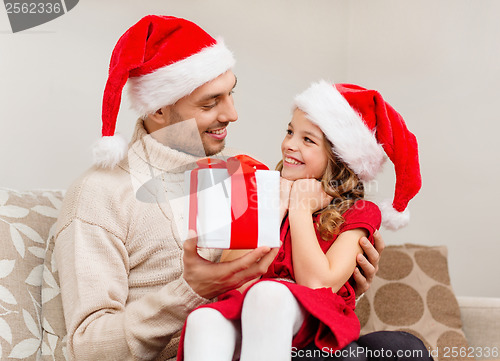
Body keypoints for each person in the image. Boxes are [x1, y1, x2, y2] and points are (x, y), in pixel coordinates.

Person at [53, 16, 384, 361]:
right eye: (210, 103)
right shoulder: (99, 194)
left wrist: (343, 287)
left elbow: (284, 285)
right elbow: (87, 349)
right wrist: (190, 291)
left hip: (265, 340)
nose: (233, 114)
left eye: (231, 94)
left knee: (400, 348)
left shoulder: (245, 173)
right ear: (160, 108)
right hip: (199, 346)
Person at [179, 81, 429, 361]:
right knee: (204, 320)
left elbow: (317, 285)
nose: (289, 145)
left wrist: (300, 208)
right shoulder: (260, 192)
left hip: (310, 321)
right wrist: (277, 209)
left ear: (339, 157)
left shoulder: (359, 211)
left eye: (307, 140)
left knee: (268, 294)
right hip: (251, 314)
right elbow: (233, 280)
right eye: (289, 132)